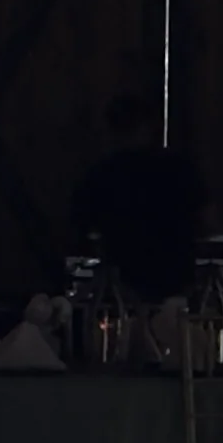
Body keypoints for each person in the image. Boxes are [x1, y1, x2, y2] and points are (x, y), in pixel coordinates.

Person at [69, 92, 203, 304]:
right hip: (176, 283)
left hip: (124, 287)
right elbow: (207, 220)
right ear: (149, 127)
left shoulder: (102, 176)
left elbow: (78, 228)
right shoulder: (178, 169)